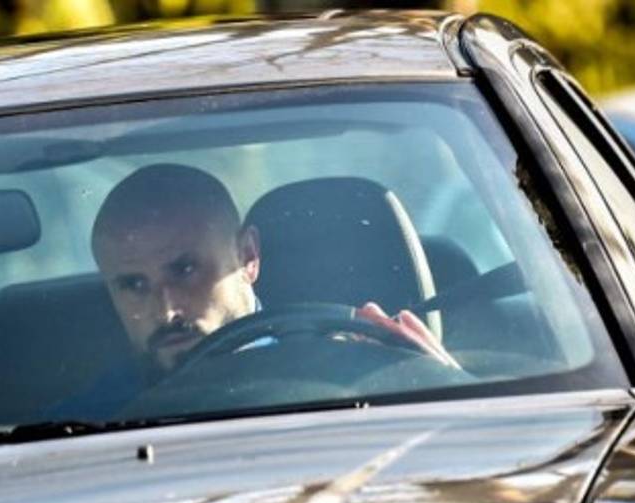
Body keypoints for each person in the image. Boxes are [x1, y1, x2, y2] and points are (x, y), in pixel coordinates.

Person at [55, 163, 457, 419]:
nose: (166, 309)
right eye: (134, 284)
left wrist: (442, 381)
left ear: (248, 256)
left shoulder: (371, 371)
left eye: (185, 270)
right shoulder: (83, 425)